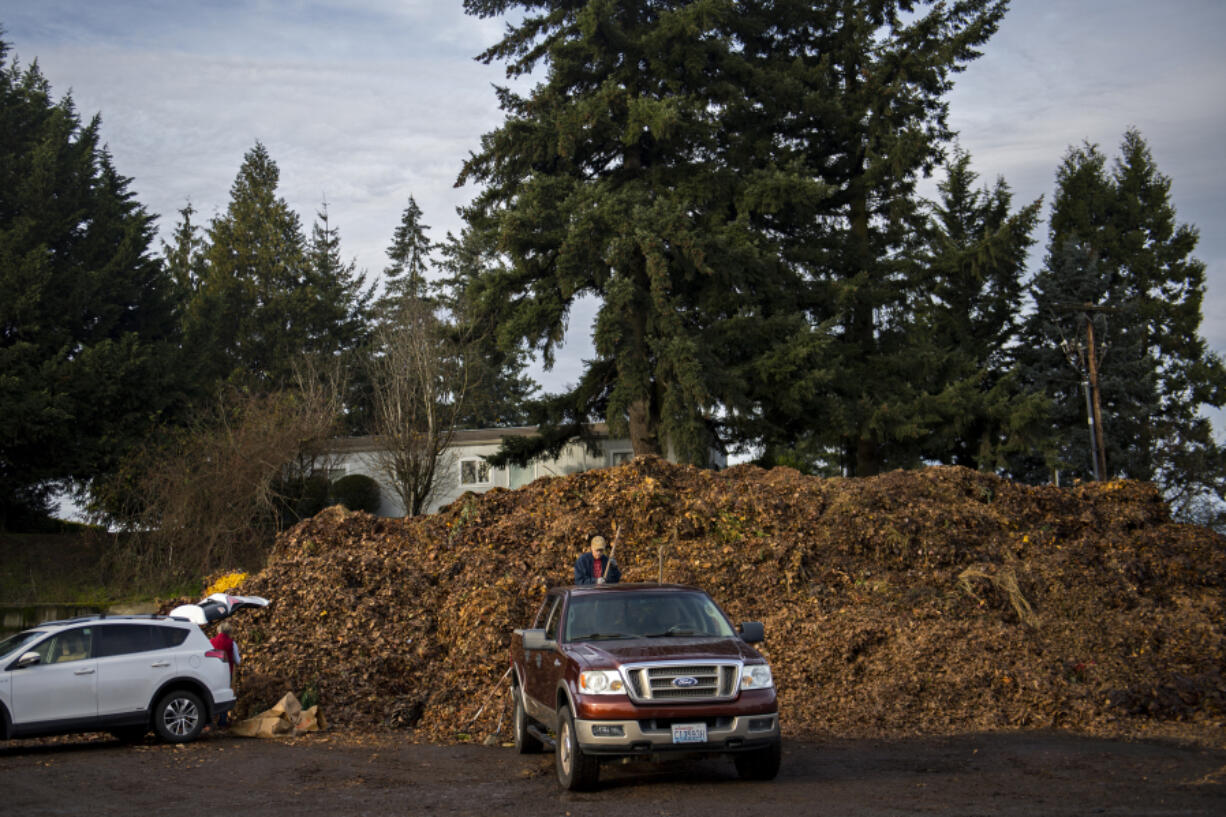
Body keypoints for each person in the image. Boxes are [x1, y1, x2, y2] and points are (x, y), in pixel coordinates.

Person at [209, 622, 241, 726]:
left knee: (211, 695)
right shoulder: (232, 643)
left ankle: (209, 721)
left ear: (218, 631)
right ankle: (222, 721)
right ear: (229, 632)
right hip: (226, 673)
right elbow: (237, 660)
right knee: (224, 695)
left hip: (212, 672)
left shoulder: (210, 641)